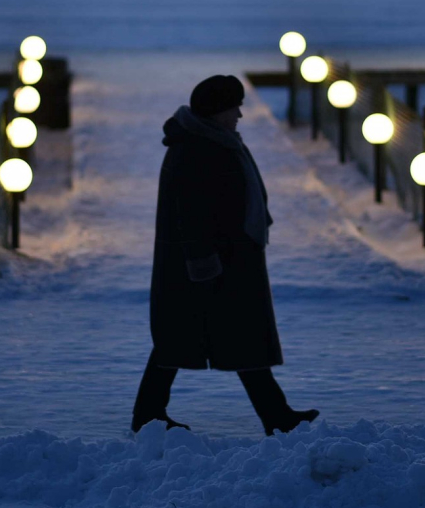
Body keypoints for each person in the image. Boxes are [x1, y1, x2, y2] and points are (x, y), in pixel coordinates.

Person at [131, 74, 319, 436]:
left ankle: (276, 416)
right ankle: (148, 418)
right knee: (181, 341)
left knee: (234, 338)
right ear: (217, 110)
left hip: (226, 259)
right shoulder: (197, 149)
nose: (240, 115)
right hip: (209, 265)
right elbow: (191, 215)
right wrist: (204, 264)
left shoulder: (213, 141)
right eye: (235, 107)